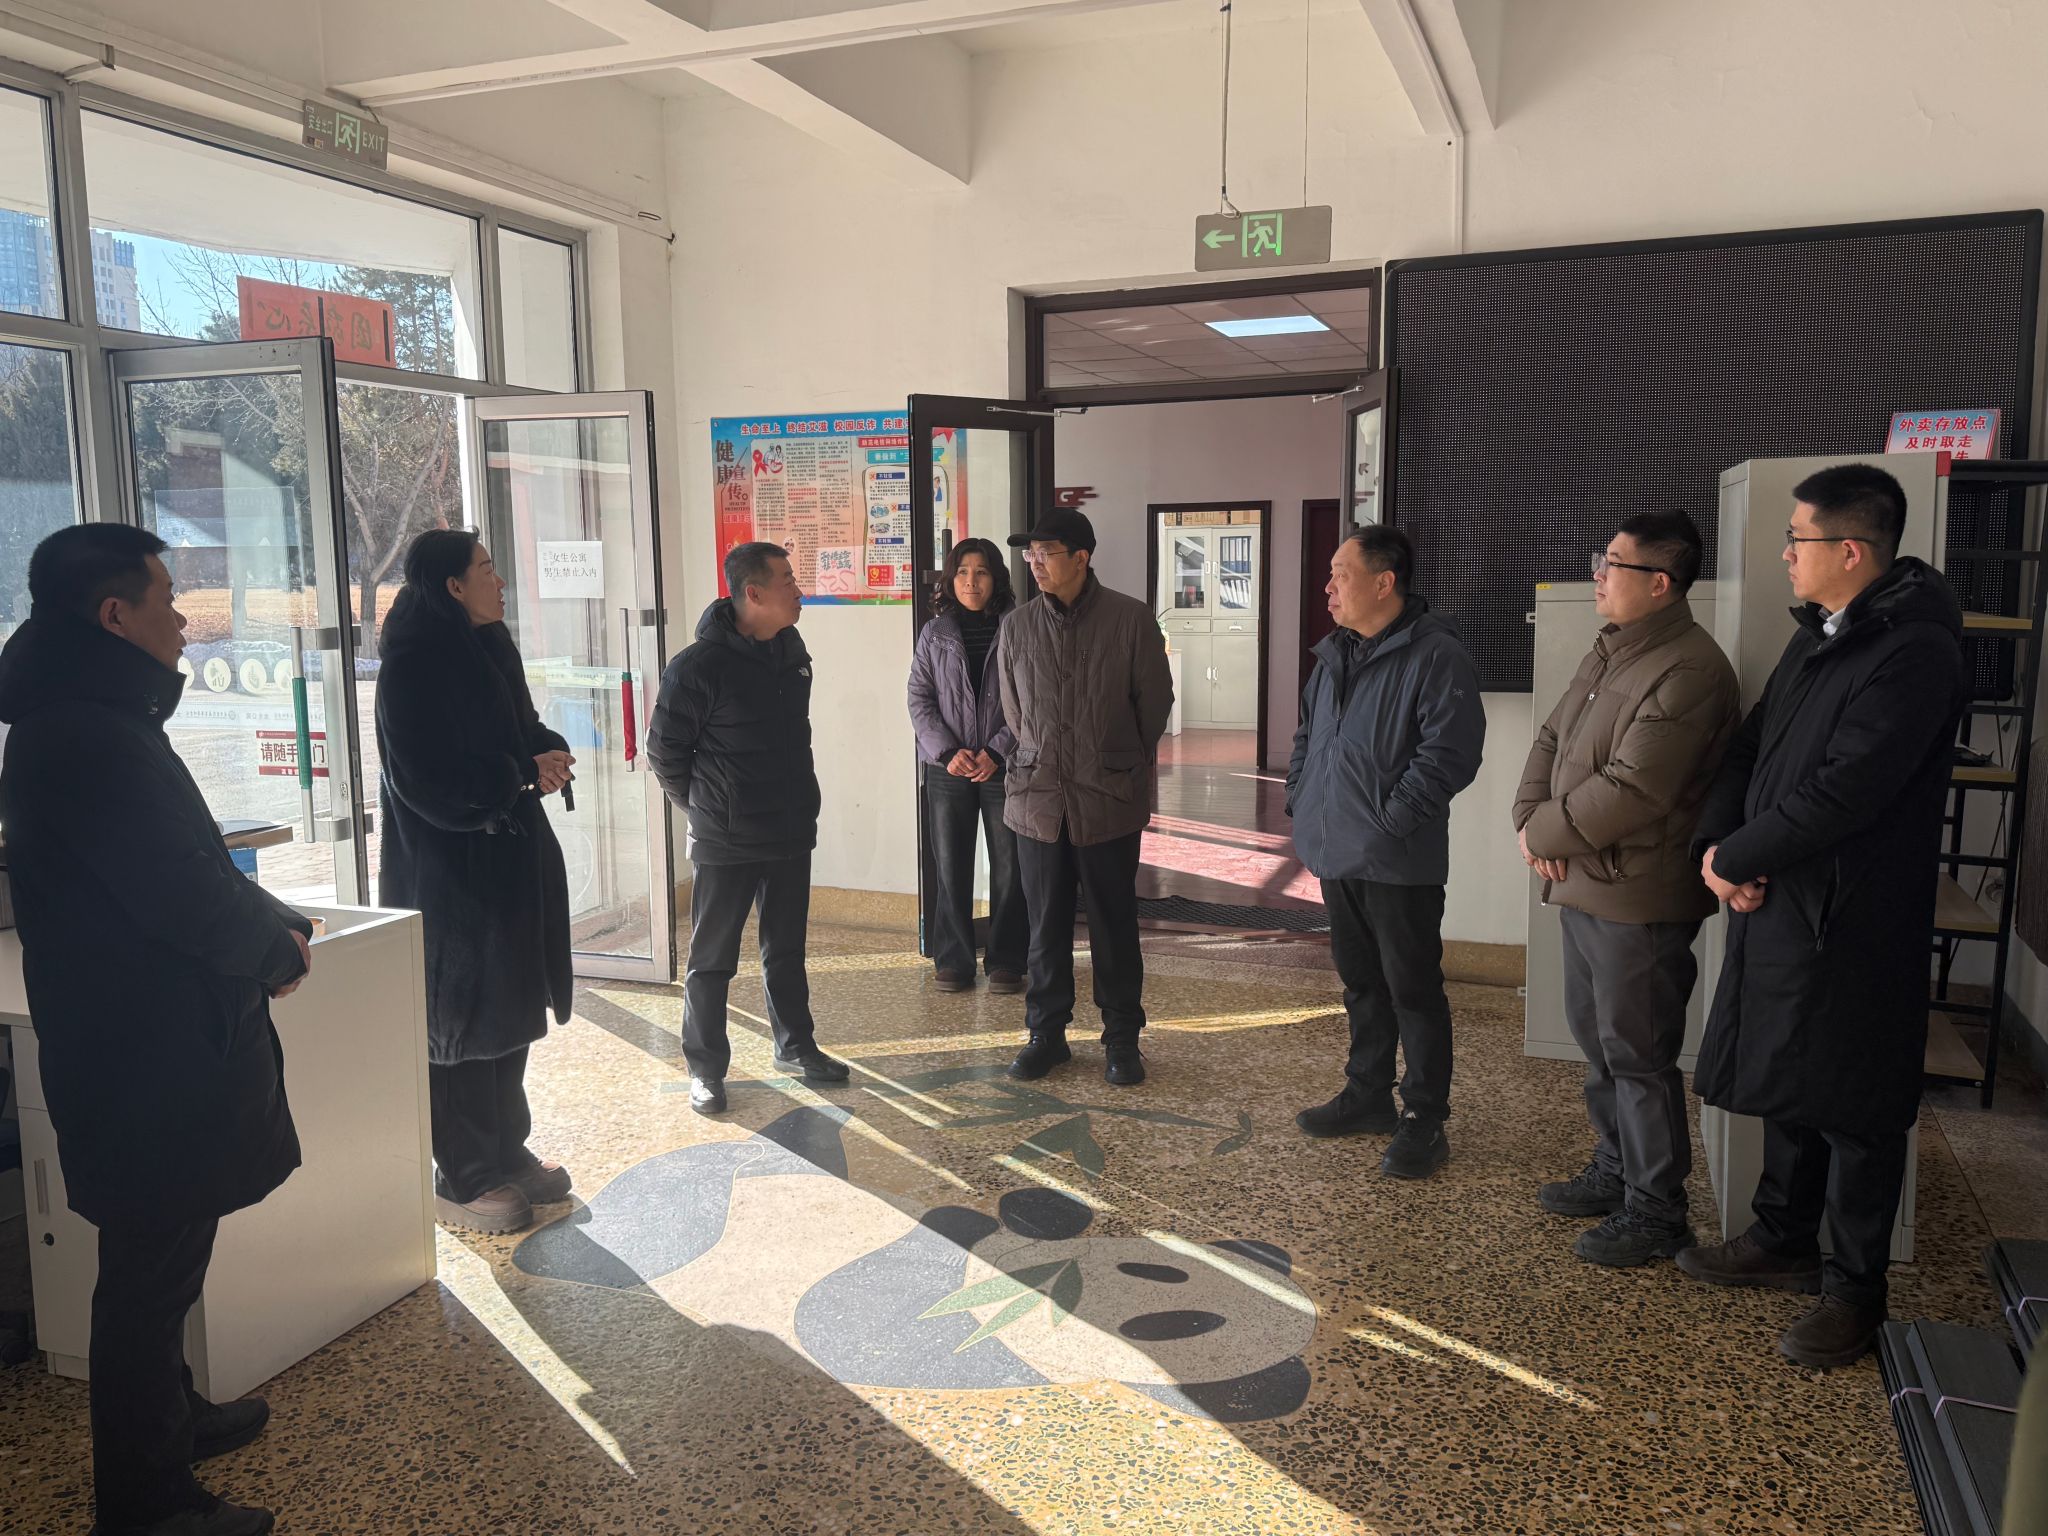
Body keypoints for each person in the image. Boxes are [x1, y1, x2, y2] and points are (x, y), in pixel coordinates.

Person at [0, 525, 310, 1536]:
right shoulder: (85, 734)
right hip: (141, 1051)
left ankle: (174, 1421)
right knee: (148, 1273)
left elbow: (187, 861)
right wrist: (273, 954)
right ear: (113, 615)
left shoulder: (92, 716)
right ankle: (147, 1504)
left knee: (165, 1256)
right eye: (167, 599)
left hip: (149, 1037)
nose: (184, 620)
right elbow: (177, 891)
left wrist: (277, 922)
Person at [1678, 464, 1967, 1369]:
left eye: (1797, 541)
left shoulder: (1914, 650)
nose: (1785, 556)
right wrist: (1720, 846)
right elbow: (1750, 747)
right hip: (1781, 896)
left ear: (1850, 550)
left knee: (1855, 1103)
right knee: (1786, 1075)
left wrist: (1738, 859)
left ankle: (1854, 1292)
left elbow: (1850, 790)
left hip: (1856, 913)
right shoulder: (1820, 636)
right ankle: (1782, 1237)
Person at [1512, 511, 1739, 1266]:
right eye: (1601, 558)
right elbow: (1552, 739)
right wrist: (1530, 821)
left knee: (1639, 1056)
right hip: (1588, 881)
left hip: (1639, 894)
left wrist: (1544, 836)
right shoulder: (1613, 648)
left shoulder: (1691, 669)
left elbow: (1636, 788)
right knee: (1599, 1044)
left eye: (1613, 563)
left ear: (1661, 582)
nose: (1599, 574)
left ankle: (1657, 1210)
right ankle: (1616, 1168)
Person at [376, 529, 577, 1238]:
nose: (500, 581)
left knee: (510, 1014)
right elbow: (426, 780)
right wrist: (519, 774)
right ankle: (463, 1175)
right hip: (449, 878)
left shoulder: (489, 643)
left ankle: (506, 1151)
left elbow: (517, 730)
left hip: (507, 863)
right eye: (487, 570)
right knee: (460, 1029)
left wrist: (545, 752)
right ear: (453, 587)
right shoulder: (413, 663)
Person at [1288, 526, 1484, 1180]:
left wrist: (1389, 821)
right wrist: (1300, 797)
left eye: (1340, 574)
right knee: (1362, 985)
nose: (1328, 587)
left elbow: (1450, 754)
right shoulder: (1334, 654)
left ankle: (1424, 1117)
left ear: (1384, 582)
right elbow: (1307, 736)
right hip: (1337, 850)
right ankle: (1368, 1094)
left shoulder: (1435, 655)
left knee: (1413, 990)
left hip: (1398, 860)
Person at [648, 541, 848, 1114]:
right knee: (712, 960)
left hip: (789, 830)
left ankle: (796, 1046)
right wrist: (707, 809)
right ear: (753, 594)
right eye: (788, 581)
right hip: (726, 840)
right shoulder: (697, 667)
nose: (799, 590)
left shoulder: (790, 651)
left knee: (786, 950)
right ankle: (705, 1070)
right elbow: (665, 753)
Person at [997, 508, 1173, 1086]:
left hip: (1107, 799)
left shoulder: (1130, 618)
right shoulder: (1017, 626)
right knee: (1044, 926)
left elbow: (1154, 704)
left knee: (1113, 925)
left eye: (1046, 552)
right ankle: (1046, 1035)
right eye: (1030, 554)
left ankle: (1122, 1038)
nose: (1035, 563)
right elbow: (1013, 710)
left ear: (1081, 557)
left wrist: (1113, 757)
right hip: (1038, 800)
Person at [907, 537, 1027, 993]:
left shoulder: (1018, 627)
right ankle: (953, 960)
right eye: (962, 572)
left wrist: (996, 751)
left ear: (996, 578)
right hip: (948, 769)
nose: (971, 581)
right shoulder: (934, 632)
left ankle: (1006, 960)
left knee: (1010, 868)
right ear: (950, 579)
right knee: (950, 867)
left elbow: (1031, 700)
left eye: (981, 572)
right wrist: (946, 752)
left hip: (1004, 767)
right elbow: (919, 697)